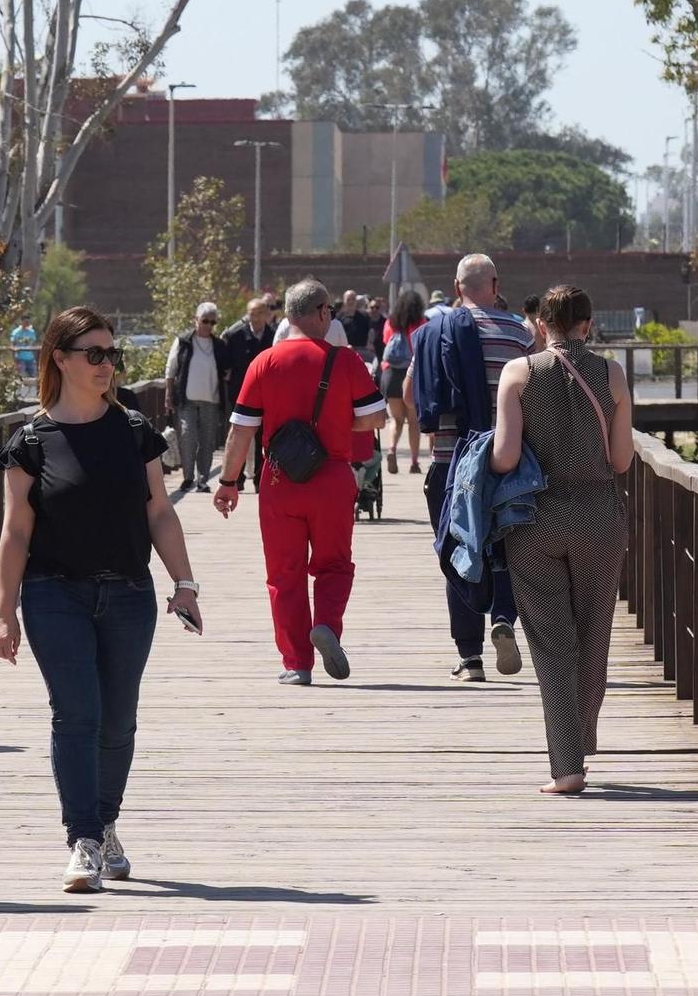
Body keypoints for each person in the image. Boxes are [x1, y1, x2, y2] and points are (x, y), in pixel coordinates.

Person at [0, 307, 200, 892]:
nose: (106, 365)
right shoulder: (32, 441)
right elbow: (15, 532)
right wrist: (3, 614)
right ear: (60, 358)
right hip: (53, 592)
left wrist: (184, 583)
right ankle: (82, 838)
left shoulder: (134, 431)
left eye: (112, 355)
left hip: (130, 593)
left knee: (118, 719)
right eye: (95, 354)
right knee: (76, 713)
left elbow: (159, 510)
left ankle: (106, 823)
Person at [490, 285, 633, 794]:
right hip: (599, 514)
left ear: (539, 324)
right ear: (587, 325)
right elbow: (620, 461)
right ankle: (581, 739)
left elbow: (505, 458)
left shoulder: (518, 373)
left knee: (552, 642)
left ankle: (568, 763)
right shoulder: (611, 374)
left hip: (537, 518)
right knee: (594, 633)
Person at [213, 279, 385, 685]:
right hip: (332, 478)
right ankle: (325, 624)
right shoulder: (344, 361)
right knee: (335, 566)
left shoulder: (264, 363)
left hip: (278, 481)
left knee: (284, 573)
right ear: (323, 312)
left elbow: (241, 431)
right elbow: (376, 417)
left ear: (287, 314)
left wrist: (228, 481)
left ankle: (296, 663)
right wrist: (338, 424)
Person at [403, 254, 534, 683]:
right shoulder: (519, 332)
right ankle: (503, 617)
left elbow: (410, 393)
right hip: (505, 458)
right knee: (507, 548)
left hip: (450, 460)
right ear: (494, 283)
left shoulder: (429, 334)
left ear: (457, 287)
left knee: (457, 551)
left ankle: (469, 657)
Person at [164, 302, 233, 493]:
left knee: (207, 440)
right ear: (196, 320)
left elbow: (227, 369)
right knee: (188, 437)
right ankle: (188, 477)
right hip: (186, 400)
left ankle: (203, 479)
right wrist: (168, 396)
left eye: (212, 322)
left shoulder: (218, 345)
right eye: (205, 321)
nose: (208, 325)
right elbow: (171, 370)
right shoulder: (183, 341)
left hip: (212, 400)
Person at [221, 298, 276, 491]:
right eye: (251, 313)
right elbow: (225, 363)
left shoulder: (274, 336)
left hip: (267, 395)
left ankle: (260, 479)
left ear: (266, 314)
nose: (255, 317)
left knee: (264, 436)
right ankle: (237, 479)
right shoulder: (235, 335)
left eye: (259, 313)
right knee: (240, 435)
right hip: (241, 393)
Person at [380, 289, 428, 475]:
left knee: (397, 420)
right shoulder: (421, 323)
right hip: (412, 375)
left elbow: (386, 343)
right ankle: (414, 462)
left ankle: (391, 448)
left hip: (391, 375)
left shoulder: (390, 322)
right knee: (414, 422)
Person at [10, 314, 40, 380]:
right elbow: (12, 345)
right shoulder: (16, 332)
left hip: (30, 358)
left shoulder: (31, 332)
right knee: (22, 377)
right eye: (26, 322)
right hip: (20, 358)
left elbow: (33, 344)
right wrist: (15, 361)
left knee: (33, 377)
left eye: (28, 322)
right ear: (22, 321)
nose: (27, 323)